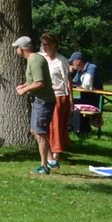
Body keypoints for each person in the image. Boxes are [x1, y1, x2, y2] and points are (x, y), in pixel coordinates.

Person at [14, 36, 56, 172]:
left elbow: (40, 83)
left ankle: (44, 166)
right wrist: (24, 85)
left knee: (40, 134)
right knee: (35, 131)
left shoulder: (35, 60)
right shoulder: (32, 59)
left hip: (44, 102)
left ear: (21, 48)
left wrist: (25, 90)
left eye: (16, 48)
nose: (16, 51)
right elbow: (34, 80)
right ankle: (52, 160)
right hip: (38, 101)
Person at [42, 32, 73, 160]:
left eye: (47, 44)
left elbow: (68, 80)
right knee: (44, 125)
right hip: (44, 96)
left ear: (54, 45)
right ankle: (48, 150)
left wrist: (71, 99)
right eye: (42, 44)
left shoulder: (61, 61)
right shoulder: (40, 58)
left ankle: (56, 153)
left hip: (59, 96)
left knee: (56, 126)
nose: (44, 47)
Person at [70, 51, 102, 135]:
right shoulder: (80, 71)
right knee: (67, 101)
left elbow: (87, 81)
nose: (72, 65)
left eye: (72, 62)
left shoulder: (91, 67)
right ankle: (73, 126)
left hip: (93, 99)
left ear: (78, 61)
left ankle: (78, 128)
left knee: (70, 102)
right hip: (84, 98)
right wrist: (69, 73)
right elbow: (73, 82)